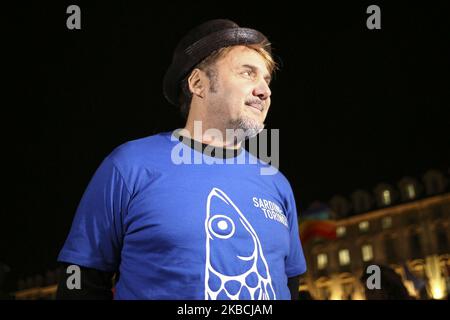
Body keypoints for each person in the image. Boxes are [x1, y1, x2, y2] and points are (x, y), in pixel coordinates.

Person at [56, 19, 306, 300]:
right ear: (198, 83)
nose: (264, 90)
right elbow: (82, 281)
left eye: (266, 79)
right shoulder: (129, 165)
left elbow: (289, 283)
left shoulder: (276, 182)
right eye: (247, 73)